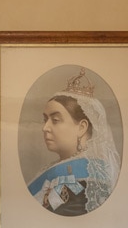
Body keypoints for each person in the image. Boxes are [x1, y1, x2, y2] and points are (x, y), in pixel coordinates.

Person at [27, 68, 121, 216]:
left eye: (55, 120)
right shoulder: (53, 170)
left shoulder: (88, 182)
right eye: (45, 120)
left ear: (82, 127)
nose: (45, 128)